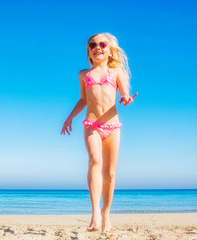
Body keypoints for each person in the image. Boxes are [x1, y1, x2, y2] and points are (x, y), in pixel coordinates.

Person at [61, 33, 137, 233]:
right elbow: (83, 100)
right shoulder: (84, 75)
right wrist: (70, 117)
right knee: (94, 160)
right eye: (92, 45)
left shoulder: (116, 71)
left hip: (112, 127)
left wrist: (127, 99)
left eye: (102, 44)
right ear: (88, 51)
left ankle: (106, 215)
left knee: (110, 173)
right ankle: (95, 214)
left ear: (109, 49)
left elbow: (125, 94)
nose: (98, 47)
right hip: (91, 124)